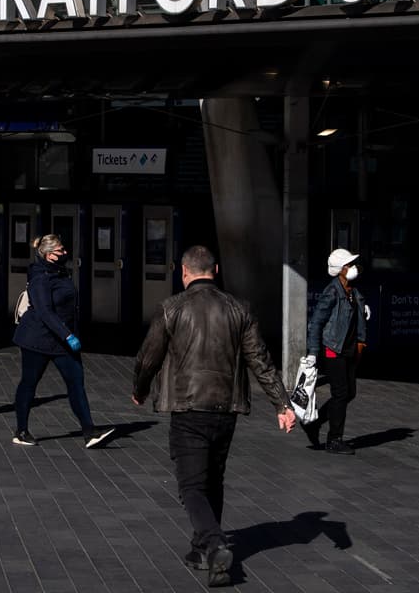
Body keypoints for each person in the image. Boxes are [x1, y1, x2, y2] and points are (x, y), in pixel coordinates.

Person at [132, 245, 296, 587]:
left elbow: (148, 357)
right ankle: (203, 549)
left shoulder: (172, 308)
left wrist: (140, 389)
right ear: (216, 270)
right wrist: (282, 404)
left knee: (191, 484)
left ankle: (215, 542)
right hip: (226, 408)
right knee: (213, 479)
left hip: (188, 407)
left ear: (184, 272)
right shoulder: (239, 309)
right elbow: (260, 361)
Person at [12, 234, 113, 448]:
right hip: (37, 338)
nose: (65, 253)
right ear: (49, 256)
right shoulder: (40, 278)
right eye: (61, 251)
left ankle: (89, 431)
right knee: (29, 383)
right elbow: (45, 312)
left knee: (76, 381)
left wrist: (68, 334)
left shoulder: (59, 272)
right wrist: (68, 335)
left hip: (61, 340)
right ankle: (21, 430)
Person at [302, 247, 369, 454]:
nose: (353, 268)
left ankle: (315, 422)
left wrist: (362, 310)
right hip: (333, 349)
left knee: (350, 392)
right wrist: (313, 352)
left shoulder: (353, 290)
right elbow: (315, 323)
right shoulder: (332, 291)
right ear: (340, 269)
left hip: (349, 348)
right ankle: (334, 440)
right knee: (340, 393)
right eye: (348, 265)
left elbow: (354, 311)